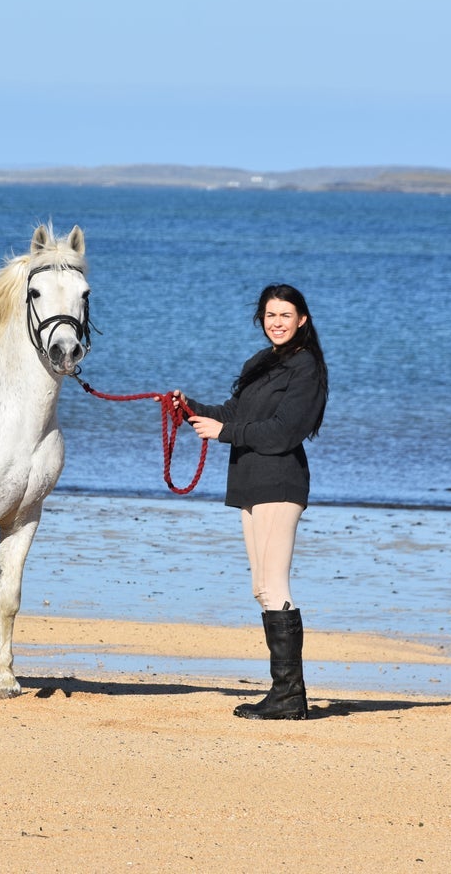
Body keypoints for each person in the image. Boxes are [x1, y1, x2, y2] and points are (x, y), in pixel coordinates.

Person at [170, 283, 328, 720]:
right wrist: (190, 408)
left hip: (280, 481)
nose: (276, 322)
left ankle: (290, 697)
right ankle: (283, 692)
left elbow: (282, 431)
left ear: (302, 320)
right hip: (249, 482)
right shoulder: (261, 363)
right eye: (270, 315)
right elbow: (235, 414)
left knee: (274, 586)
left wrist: (225, 433)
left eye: (285, 315)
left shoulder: (306, 368)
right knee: (261, 588)